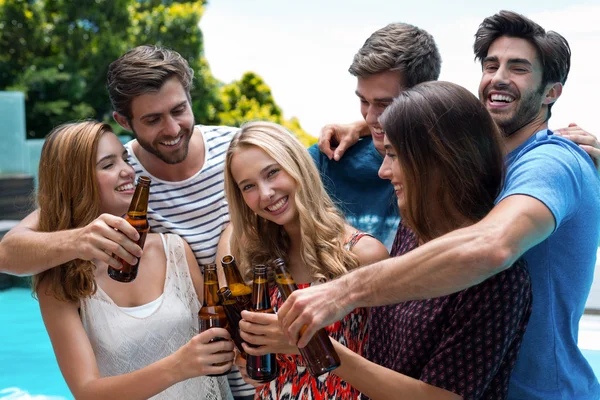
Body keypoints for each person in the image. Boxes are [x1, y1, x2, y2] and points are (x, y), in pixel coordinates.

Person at [278, 10, 600, 400]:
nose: (498, 77)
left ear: (551, 93)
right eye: (490, 65)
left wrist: (341, 293)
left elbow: (492, 245)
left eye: (518, 68)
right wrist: (374, 126)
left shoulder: (552, 161)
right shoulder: (477, 161)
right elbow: (435, 118)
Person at [0, 45, 255, 399]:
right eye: (152, 120)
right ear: (125, 122)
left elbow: (301, 189)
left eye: (179, 110)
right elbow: (10, 249)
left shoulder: (237, 151)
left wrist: (360, 127)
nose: (172, 128)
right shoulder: (128, 174)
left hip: (263, 380)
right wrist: (80, 241)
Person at [333, 80, 531, 399]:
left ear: (439, 160)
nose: (383, 171)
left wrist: (325, 352)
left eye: (394, 156)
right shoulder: (413, 227)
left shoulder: (500, 278)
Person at [32, 121, 233, 399]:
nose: (128, 170)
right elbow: (87, 391)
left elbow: (223, 334)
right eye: (108, 164)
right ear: (75, 182)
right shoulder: (59, 282)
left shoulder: (173, 250)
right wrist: (179, 366)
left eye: (124, 159)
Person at [223, 121, 388, 399]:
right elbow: (261, 370)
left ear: (298, 165)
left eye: (272, 172)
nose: (265, 194)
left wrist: (301, 343)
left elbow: (390, 371)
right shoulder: (255, 259)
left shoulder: (362, 254)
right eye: (248, 186)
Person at [309, 23, 442, 249]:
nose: (371, 117)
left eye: (385, 104)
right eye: (363, 101)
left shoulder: (452, 170)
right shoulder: (324, 160)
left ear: (425, 95)